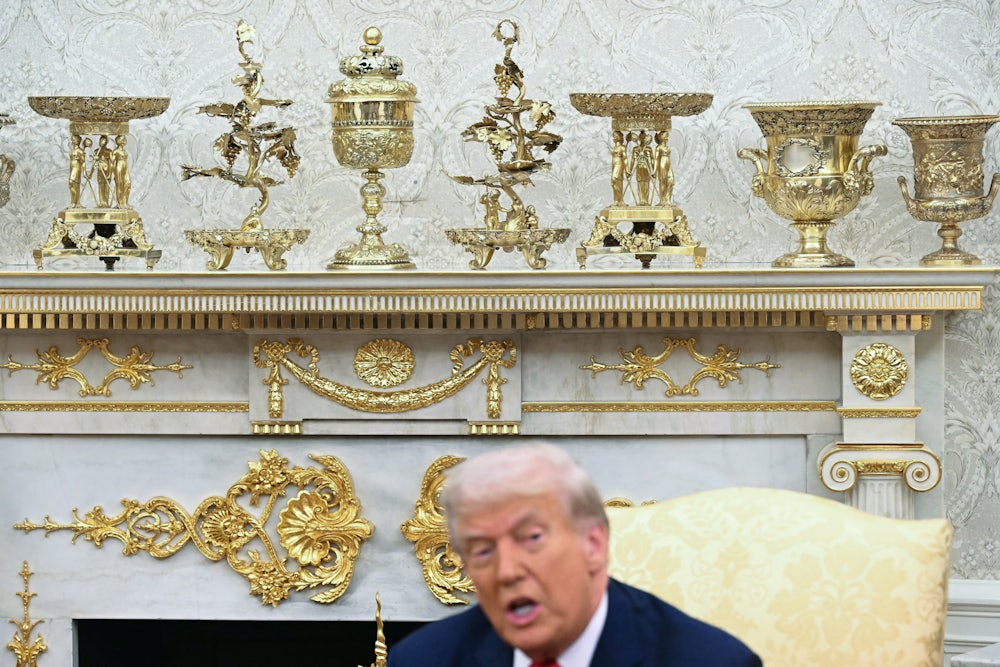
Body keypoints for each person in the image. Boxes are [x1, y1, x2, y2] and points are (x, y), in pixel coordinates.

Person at [387, 442, 761, 667]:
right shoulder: (421, 661)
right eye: (482, 551)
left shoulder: (709, 661)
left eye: (531, 538)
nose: (506, 572)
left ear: (593, 545)